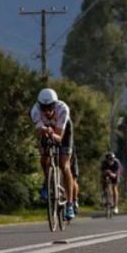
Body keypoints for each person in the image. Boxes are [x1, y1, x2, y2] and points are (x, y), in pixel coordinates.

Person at [30, 88, 79, 220]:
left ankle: (70, 204)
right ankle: (47, 182)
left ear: (55, 105)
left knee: (64, 165)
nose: (47, 111)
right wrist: (45, 133)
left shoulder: (63, 109)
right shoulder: (35, 111)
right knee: (43, 157)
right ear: (39, 106)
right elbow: (40, 134)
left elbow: (59, 137)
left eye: (50, 107)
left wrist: (50, 132)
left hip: (64, 132)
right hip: (47, 131)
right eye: (43, 108)